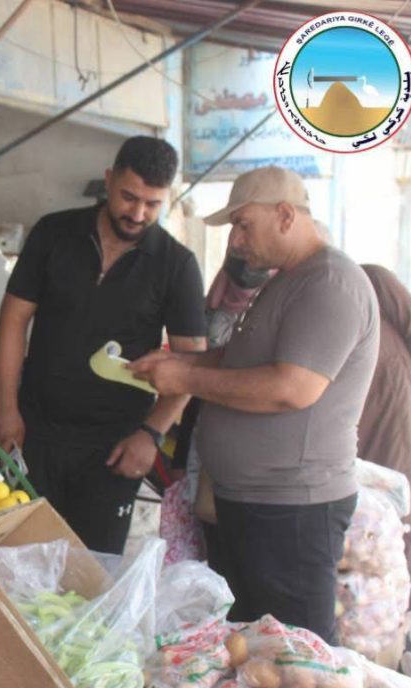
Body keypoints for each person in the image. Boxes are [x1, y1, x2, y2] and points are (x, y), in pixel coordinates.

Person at [130, 166, 380, 644]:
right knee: (249, 648)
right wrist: (181, 359)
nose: (236, 241)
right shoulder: (286, 280)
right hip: (251, 503)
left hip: (294, 510)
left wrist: (185, 376)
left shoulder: (330, 283)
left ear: (285, 215)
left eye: (244, 224)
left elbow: (293, 388)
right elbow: (240, 358)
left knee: (296, 657)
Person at [0, 136, 207, 554]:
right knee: (18, 558)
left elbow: (189, 366)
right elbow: (14, 320)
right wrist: (5, 406)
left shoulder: (176, 265)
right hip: (33, 433)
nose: (138, 213)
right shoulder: (54, 233)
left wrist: (151, 434)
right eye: (129, 197)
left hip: (115, 448)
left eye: (152, 204)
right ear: (108, 180)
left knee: (91, 573)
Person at [168, 252, 274, 568]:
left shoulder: (276, 316)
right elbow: (196, 389)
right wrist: (180, 455)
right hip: (209, 450)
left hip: (258, 466)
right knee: (211, 546)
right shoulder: (214, 309)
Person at [358, 264, 411, 608]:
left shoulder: (372, 279)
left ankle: (410, 606)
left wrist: (402, 375)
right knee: (365, 524)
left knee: (402, 511)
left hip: (392, 407)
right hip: (359, 413)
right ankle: (374, 615)